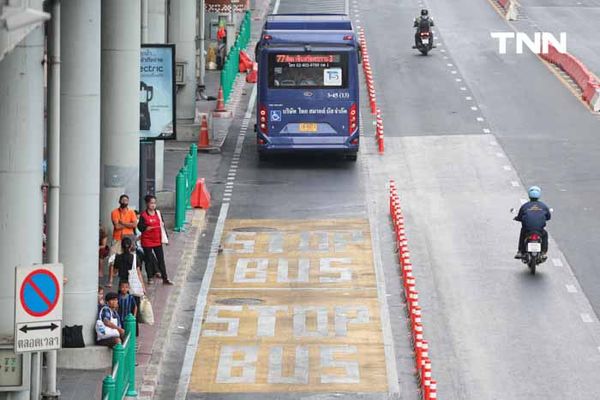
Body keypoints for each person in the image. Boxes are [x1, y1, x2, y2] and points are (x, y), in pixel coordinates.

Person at [138, 195, 174, 285]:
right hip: (147, 241)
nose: (153, 205)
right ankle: (150, 277)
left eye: (154, 203)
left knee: (161, 259)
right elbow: (140, 227)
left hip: (157, 240)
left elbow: (162, 226)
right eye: (151, 203)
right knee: (149, 260)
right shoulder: (143, 215)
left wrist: (166, 239)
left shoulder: (158, 213)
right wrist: (146, 228)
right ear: (147, 204)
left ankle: (165, 278)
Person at [514, 186, 552, 259]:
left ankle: (520, 251)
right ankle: (543, 252)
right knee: (545, 234)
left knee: (522, 233)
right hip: (539, 230)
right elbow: (548, 217)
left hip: (527, 230)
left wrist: (517, 218)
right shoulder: (543, 206)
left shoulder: (525, 206)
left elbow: (519, 217)